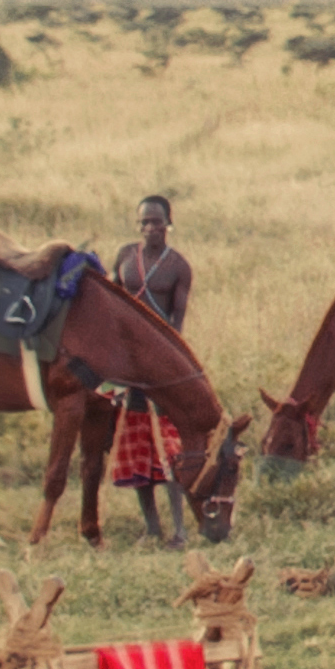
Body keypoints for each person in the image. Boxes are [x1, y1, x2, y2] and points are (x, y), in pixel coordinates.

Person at [103, 195, 197, 545]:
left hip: (159, 365)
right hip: (127, 367)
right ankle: (152, 527)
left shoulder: (179, 267)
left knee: (168, 447)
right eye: (144, 222)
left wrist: (163, 366)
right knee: (136, 445)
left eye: (157, 222)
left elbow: (177, 325)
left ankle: (179, 529)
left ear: (169, 224)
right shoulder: (126, 256)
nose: (150, 228)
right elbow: (111, 300)